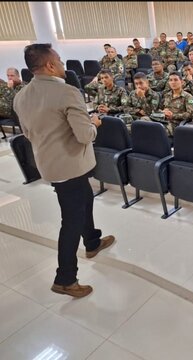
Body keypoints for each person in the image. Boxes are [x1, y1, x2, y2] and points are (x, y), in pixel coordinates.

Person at [13, 43, 115, 298]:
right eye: (58, 59)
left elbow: (27, 133)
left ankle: (92, 241)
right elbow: (83, 136)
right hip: (70, 165)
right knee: (71, 220)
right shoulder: (68, 93)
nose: (61, 64)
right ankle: (65, 278)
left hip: (49, 164)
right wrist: (94, 123)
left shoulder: (21, 96)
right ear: (49, 65)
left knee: (85, 198)